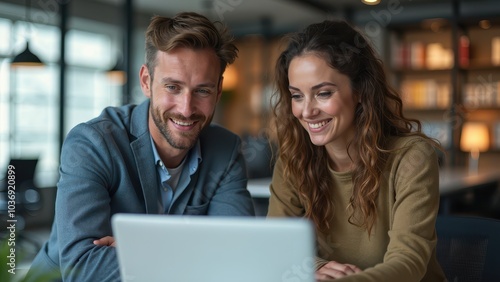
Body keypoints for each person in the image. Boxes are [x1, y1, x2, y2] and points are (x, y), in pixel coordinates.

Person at [25, 12, 255, 281]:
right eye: (173, 87)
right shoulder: (92, 143)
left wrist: (141, 251)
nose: (186, 109)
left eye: (202, 91)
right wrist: (196, 250)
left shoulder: (225, 150)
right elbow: (83, 267)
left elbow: (238, 253)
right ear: (146, 81)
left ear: (218, 91)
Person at [267, 19, 446, 282]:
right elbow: (275, 244)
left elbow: (408, 263)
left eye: (323, 93)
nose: (306, 111)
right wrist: (313, 266)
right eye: (297, 95)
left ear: (360, 91)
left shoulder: (411, 157)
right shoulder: (294, 157)